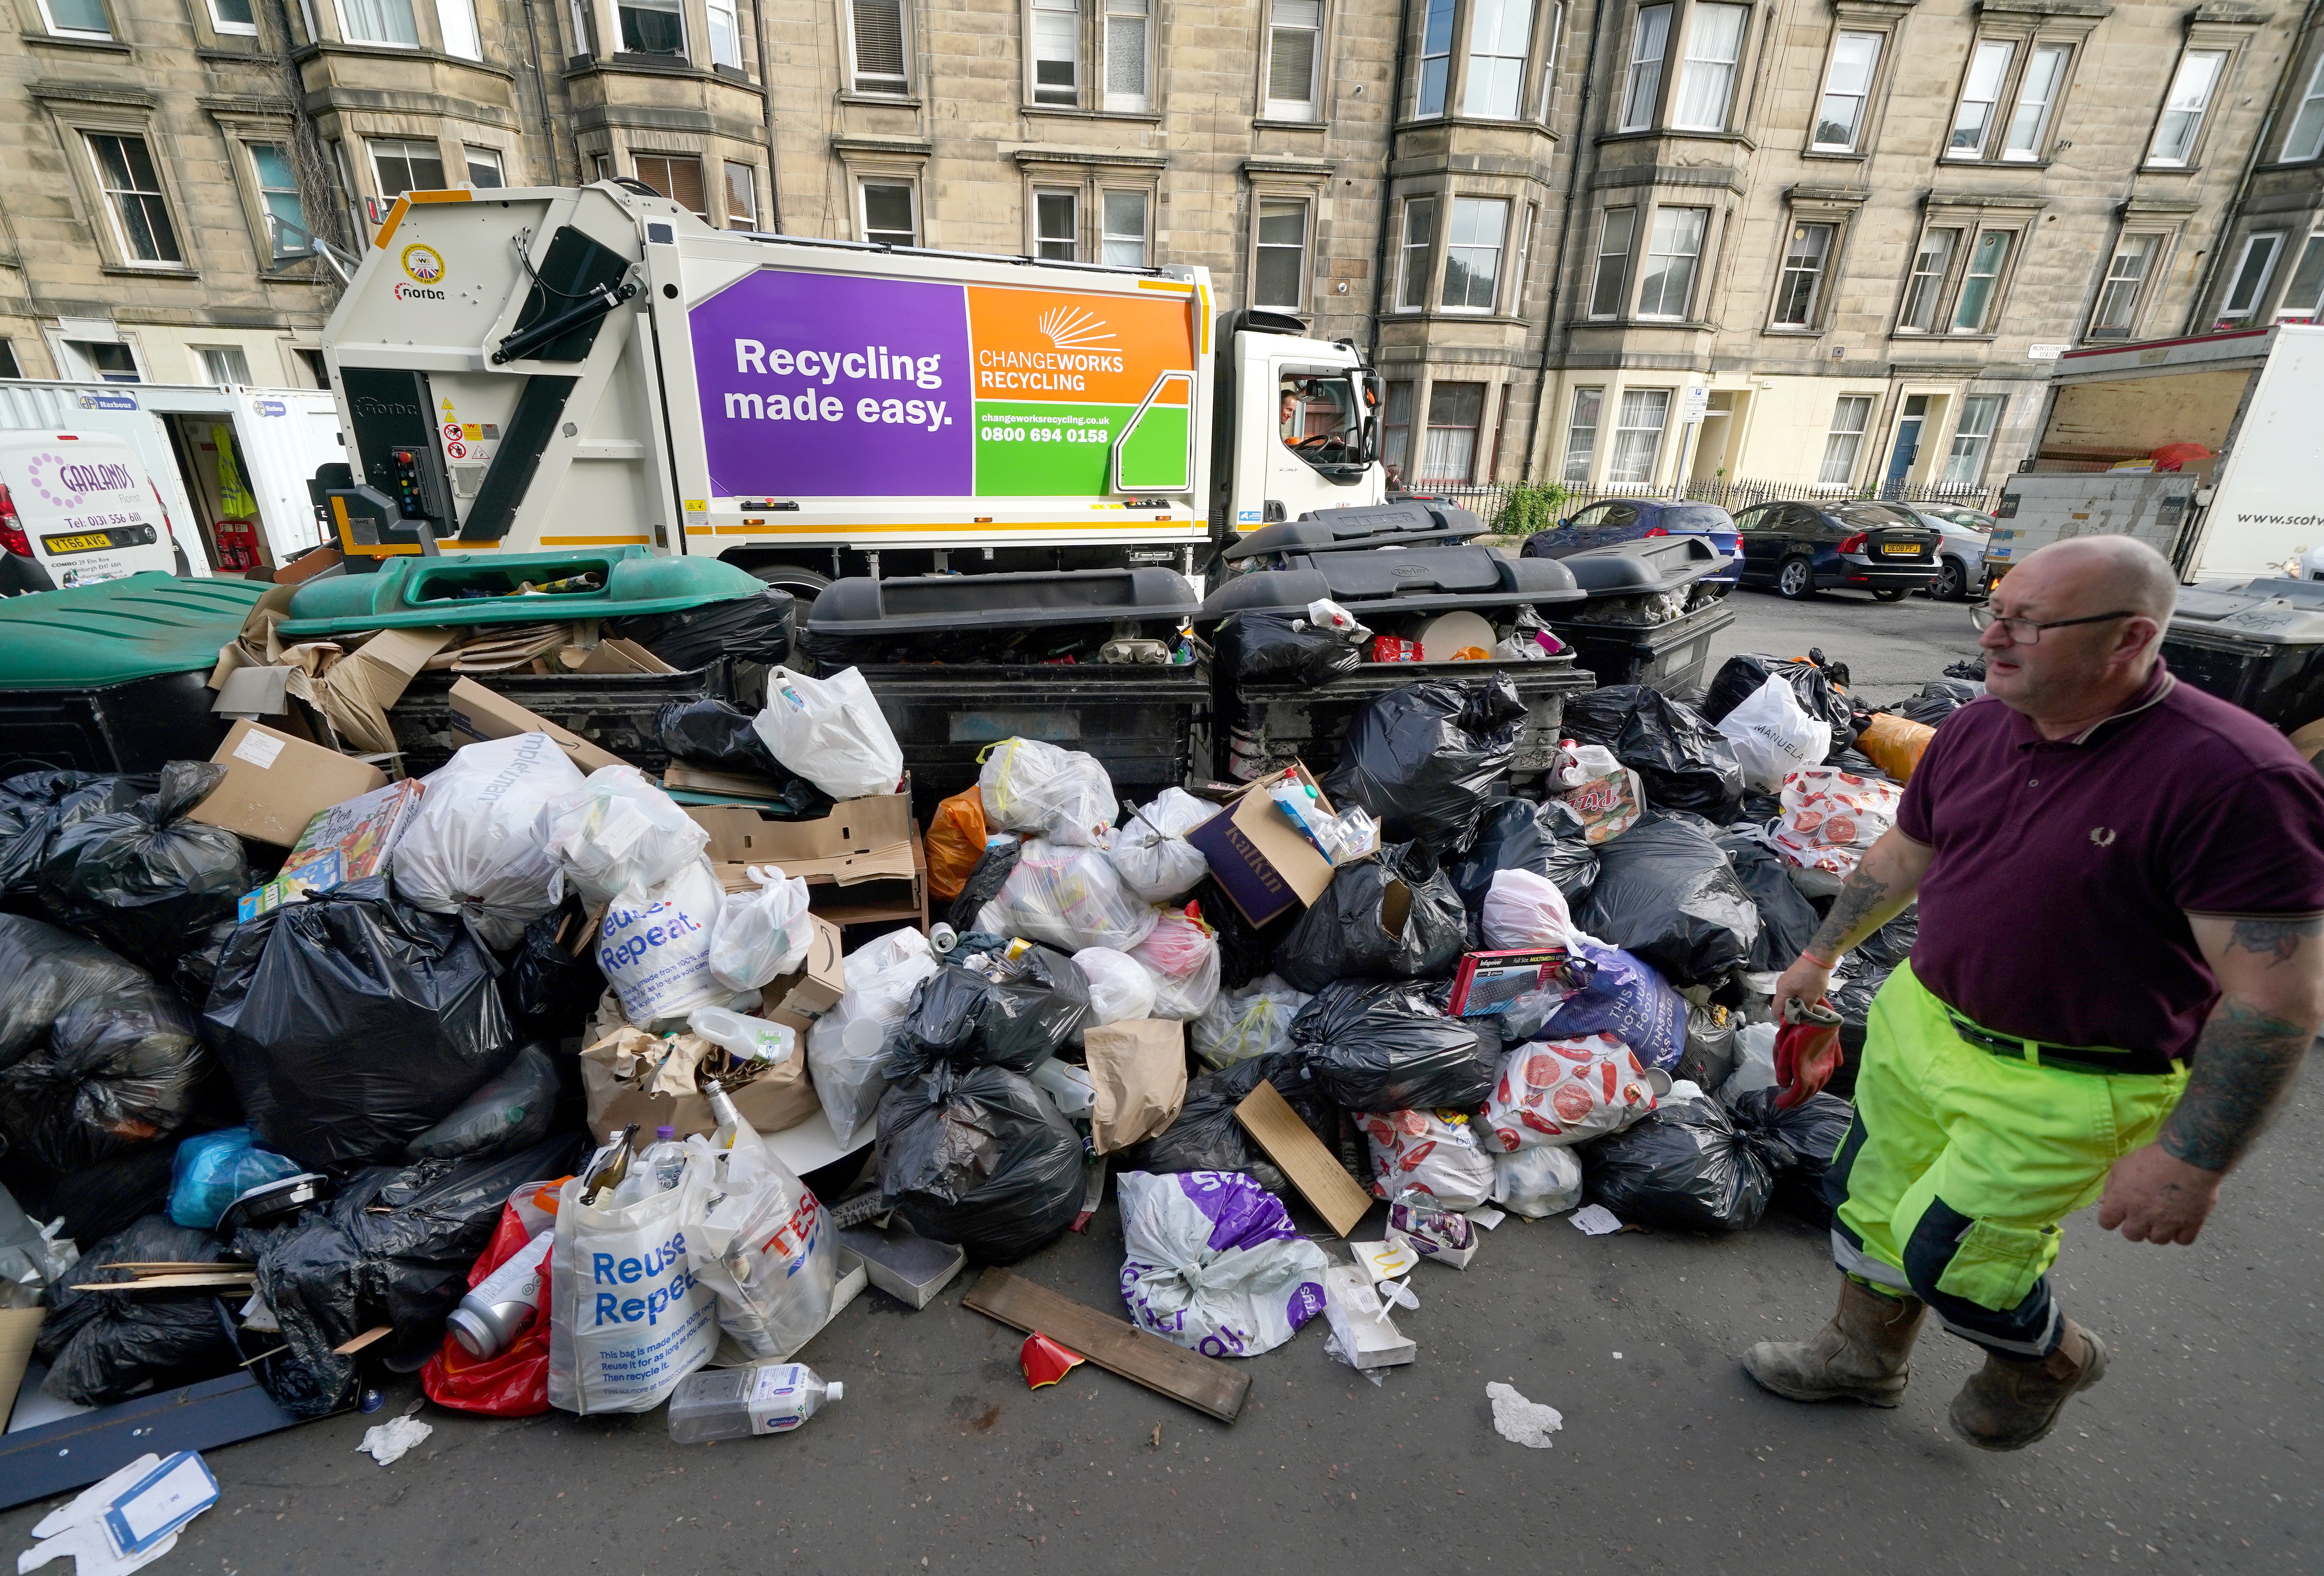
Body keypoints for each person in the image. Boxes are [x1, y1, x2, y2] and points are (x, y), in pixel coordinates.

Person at [1741, 534, 2324, 1450]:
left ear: (2129, 638)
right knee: (1866, 1198)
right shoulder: (1977, 727)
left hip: (2071, 1077)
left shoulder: (2233, 779)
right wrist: (1819, 954)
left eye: (2028, 622)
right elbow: (1904, 856)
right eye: (1995, 612)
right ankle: (1863, 1357)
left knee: (1960, 1258)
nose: (1993, 638)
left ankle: (2048, 1358)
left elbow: (2274, 998)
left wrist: (2192, 1160)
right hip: (1923, 1020)